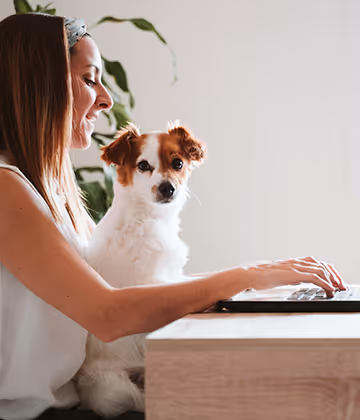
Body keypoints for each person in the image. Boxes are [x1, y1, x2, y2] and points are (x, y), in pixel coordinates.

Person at [0, 12, 346, 420]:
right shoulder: (6, 190)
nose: (107, 98)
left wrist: (260, 281)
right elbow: (109, 314)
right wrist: (250, 274)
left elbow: (138, 287)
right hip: (40, 413)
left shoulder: (46, 191)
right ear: (39, 86)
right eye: (90, 79)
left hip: (73, 402)